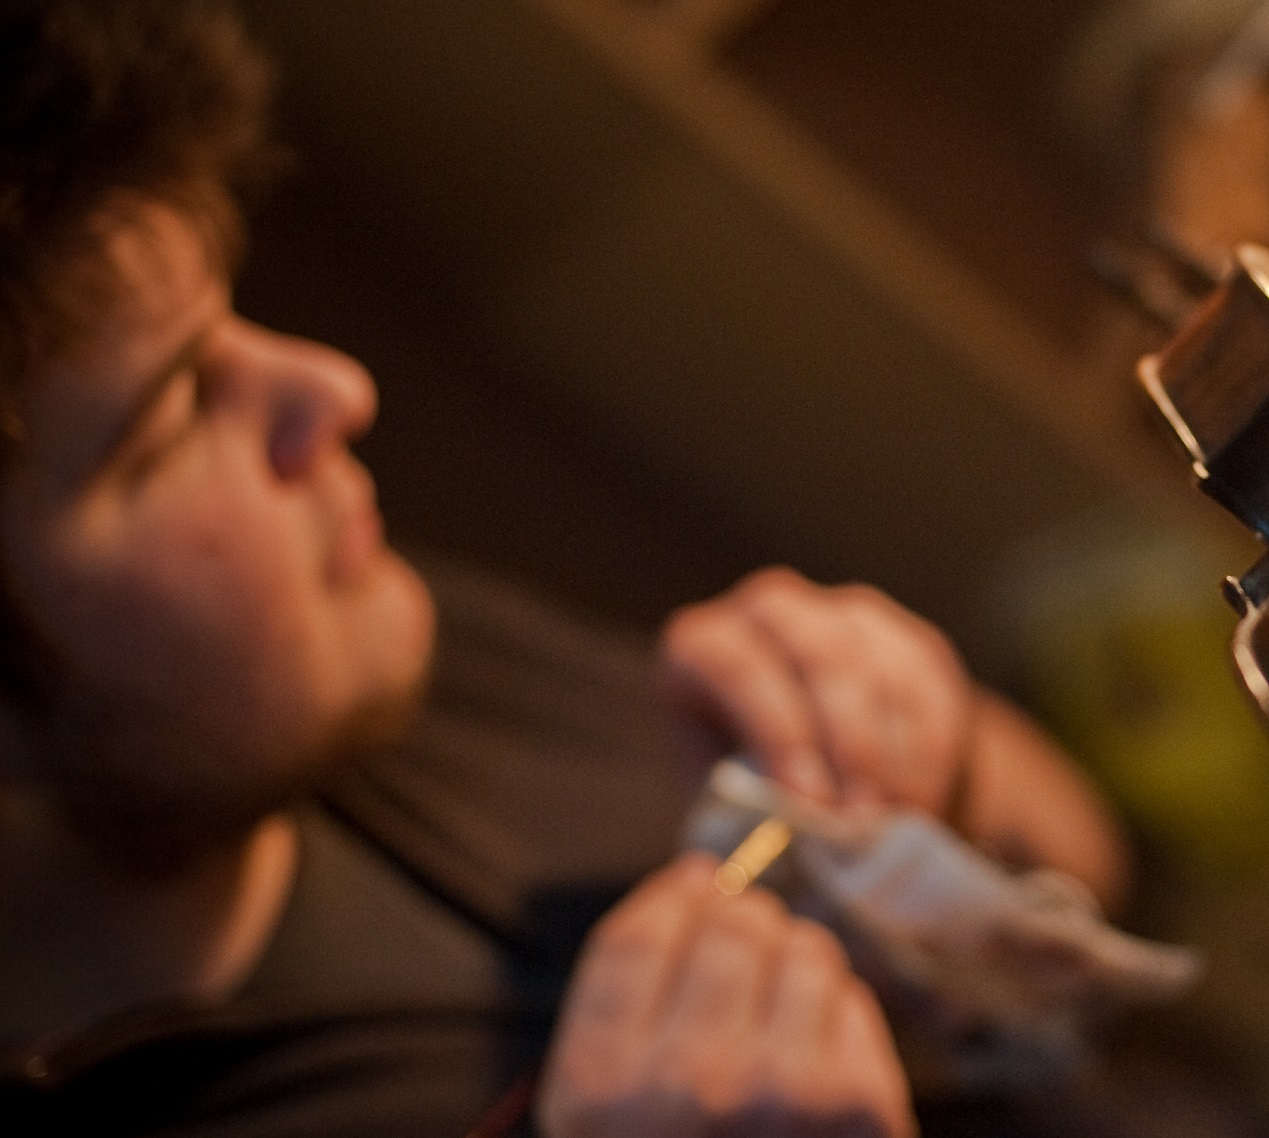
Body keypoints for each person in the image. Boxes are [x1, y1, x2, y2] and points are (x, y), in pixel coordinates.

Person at [0, 2, 1133, 1134]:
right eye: (177, 413)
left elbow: (1085, 856)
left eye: (238, 314)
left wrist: (934, 755)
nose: (333, 388)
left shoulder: (345, 665)